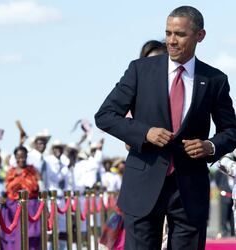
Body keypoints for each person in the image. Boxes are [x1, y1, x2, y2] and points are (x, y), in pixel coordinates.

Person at [94, 6, 236, 249]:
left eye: (179, 34)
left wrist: (210, 146)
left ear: (199, 35)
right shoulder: (140, 70)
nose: (171, 40)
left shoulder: (215, 80)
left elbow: (231, 131)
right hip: (142, 187)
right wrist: (144, 132)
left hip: (189, 192)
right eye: (168, 32)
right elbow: (105, 115)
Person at [0, 145, 41, 250]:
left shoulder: (33, 171)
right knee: (14, 236)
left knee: (31, 236)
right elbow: (7, 188)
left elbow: (38, 186)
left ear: (27, 156)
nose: (21, 159)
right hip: (13, 207)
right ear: (15, 157)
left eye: (23, 156)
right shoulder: (11, 172)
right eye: (19, 157)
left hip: (30, 207)